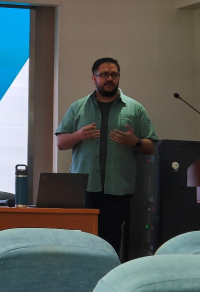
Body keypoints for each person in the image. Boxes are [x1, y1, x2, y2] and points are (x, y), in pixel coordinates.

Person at [55, 57, 158, 255]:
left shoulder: (135, 108)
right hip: (84, 189)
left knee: (110, 242)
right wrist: (79, 135)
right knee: (80, 242)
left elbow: (150, 146)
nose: (109, 78)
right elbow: (60, 143)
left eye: (114, 74)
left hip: (117, 190)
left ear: (119, 77)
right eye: (104, 74)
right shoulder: (78, 107)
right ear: (94, 78)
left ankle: (108, 274)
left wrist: (135, 142)